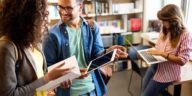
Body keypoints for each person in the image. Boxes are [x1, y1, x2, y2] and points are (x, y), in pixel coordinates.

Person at [42, 0, 128, 96]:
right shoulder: (51, 35)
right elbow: (47, 71)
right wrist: (61, 79)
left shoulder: (92, 27)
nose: (63, 12)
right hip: (68, 93)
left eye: (69, 8)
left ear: (80, 7)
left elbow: (97, 55)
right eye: (60, 7)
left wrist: (108, 53)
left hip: (93, 89)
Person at [0, 0, 72, 96]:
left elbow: (39, 77)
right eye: (41, 16)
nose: (47, 21)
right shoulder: (6, 48)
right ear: (26, 18)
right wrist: (48, 78)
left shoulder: (34, 42)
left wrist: (53, 85)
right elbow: (8, 94)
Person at [141, 4, 192, 96]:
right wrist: (147, 55)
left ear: (173, 21)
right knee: (143, 93)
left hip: (168, 73)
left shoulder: (185, 35)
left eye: (164, 21)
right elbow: (157, 47)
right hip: (156, 66)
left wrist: (162, 53)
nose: (162, 23)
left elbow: (183, 60)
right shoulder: (165, 29)